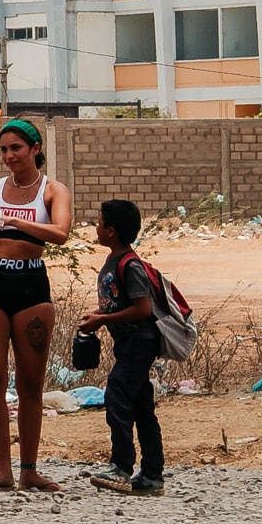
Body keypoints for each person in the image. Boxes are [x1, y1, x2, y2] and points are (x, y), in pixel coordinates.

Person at [0, 118, 73, 494]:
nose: (9, 156)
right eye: (4, 150)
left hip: (31, 283)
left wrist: (11, 219)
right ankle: (2, 470)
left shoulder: (52, 191)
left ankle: (30, 469)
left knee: (31, 383)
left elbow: (60, 234)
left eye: (16, 148)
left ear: (35, 149)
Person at [79, 199, 165, 496]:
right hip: (128, 343)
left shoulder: (130, 265)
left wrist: (103, 319)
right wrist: (100, 317)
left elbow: (143, 309)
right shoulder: (114, 261)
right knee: (141, 406)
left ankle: (121, 467)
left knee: (117, 395)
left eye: (99, 222)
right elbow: (120, 301)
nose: (96, 227)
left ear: (111, 231)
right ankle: (152, 475)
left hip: (138, 343)